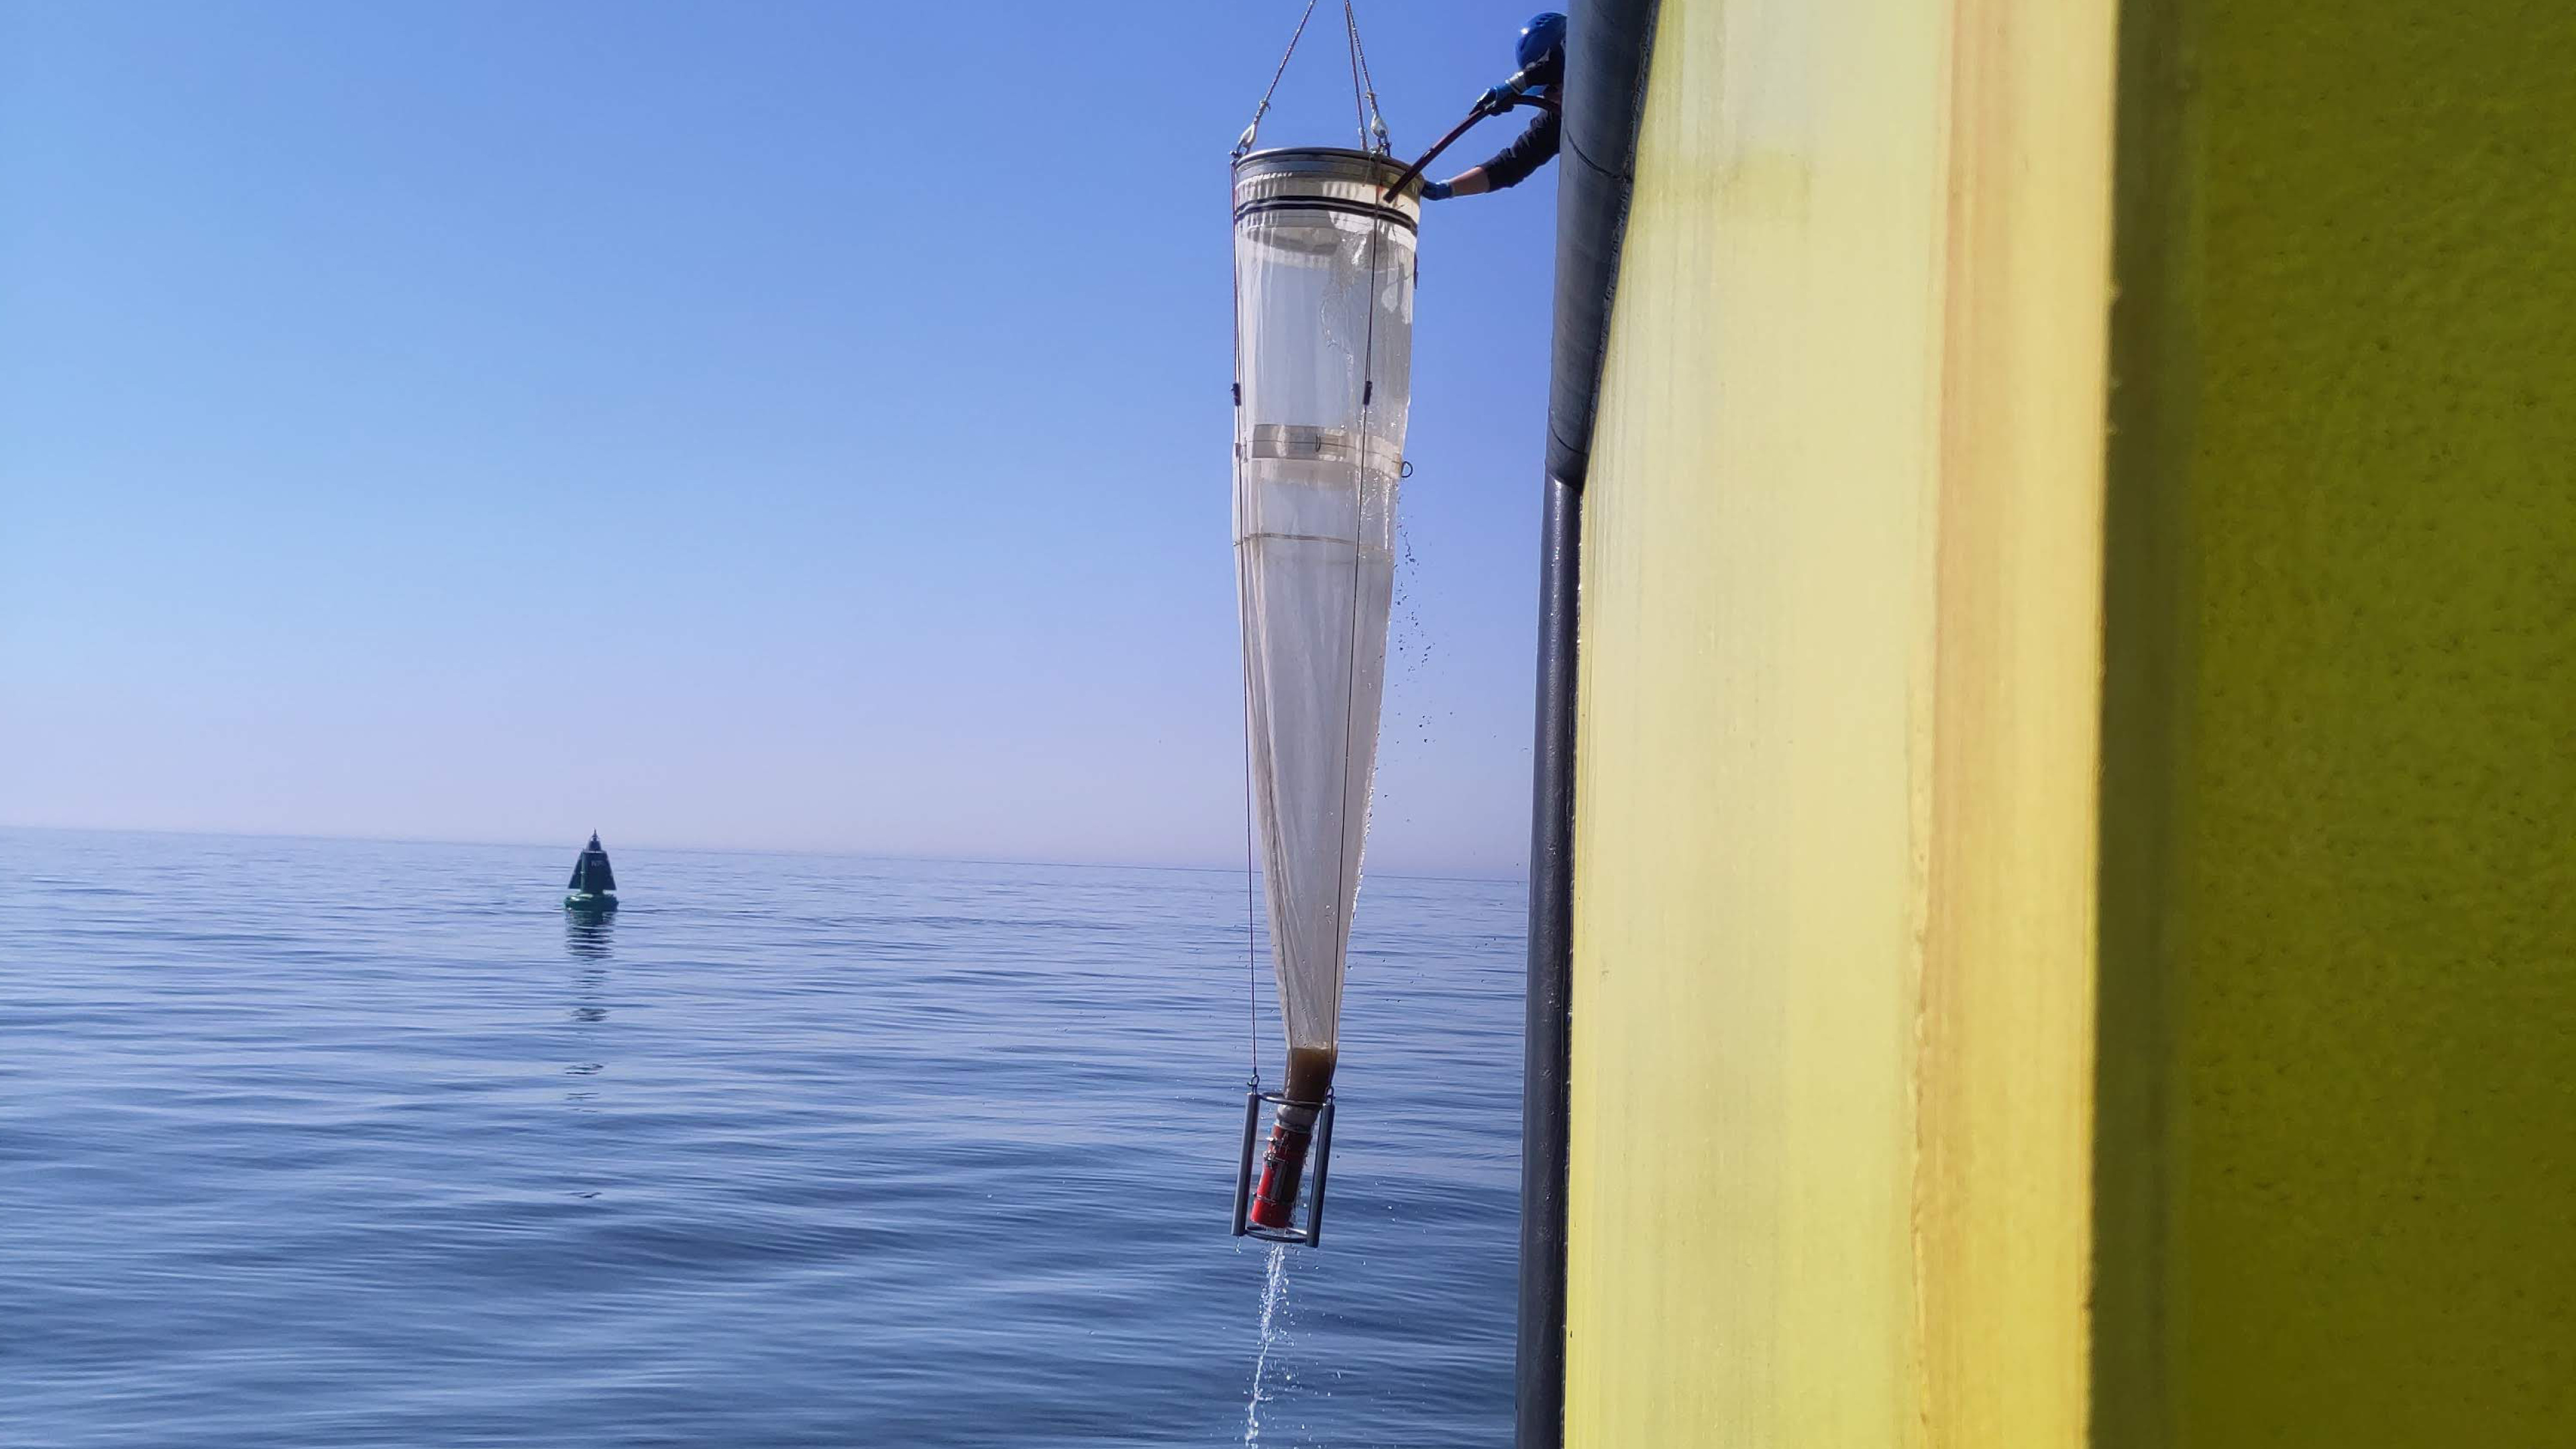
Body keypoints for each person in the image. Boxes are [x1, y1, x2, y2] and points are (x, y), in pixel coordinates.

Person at [1419, 13, 1566, 201]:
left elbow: (1569, 55)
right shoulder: (1555, 120)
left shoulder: (1607, 49)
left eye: (1551, 84)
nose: (1547, 96)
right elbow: (1512, 165)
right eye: (1543, 90)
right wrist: (1449, 188)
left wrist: (1517, 84)